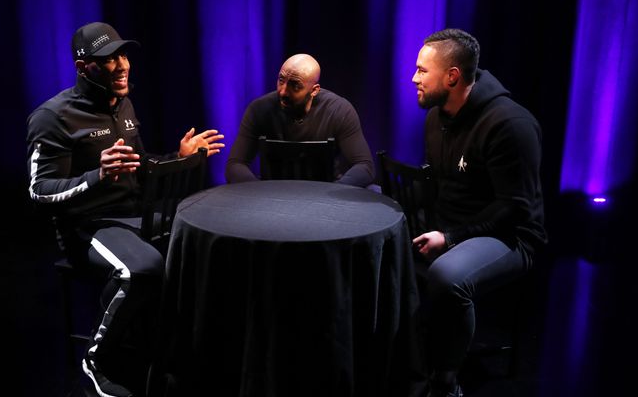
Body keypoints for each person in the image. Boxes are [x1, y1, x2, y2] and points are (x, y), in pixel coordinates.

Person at [26, 21, 224, 397]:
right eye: (107, 59)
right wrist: (96, 176)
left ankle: (169, 348)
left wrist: (177, 158)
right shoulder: (53, 117)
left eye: (122, 54)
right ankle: (96, 362)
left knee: (204, 246)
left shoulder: (124, 104)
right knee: (142, 270)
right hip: (88, 227)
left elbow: (140, 167)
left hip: (134, 216)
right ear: (85, 68)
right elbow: (39, 192)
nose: (121, 65)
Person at [409, 28, 547, 397]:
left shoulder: (509, 125)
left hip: (511, 236)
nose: (414, 78)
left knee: (448, 275)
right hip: (453, 226)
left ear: (452, 76)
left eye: (423, 71)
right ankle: (407, 359)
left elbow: (513, 208)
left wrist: (450, 238)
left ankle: (446, 382)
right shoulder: (436, 118)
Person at [224, 53, 375, 187]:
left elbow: (365, 166)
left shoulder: (339, 110)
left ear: (314, 90)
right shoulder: (259, 109)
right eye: (281, 80)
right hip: (272, 195)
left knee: (375, 191)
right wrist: (259, 192)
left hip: (326, 194)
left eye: (294, 85)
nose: (283, 91)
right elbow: (235, 165)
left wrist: (334, 192)